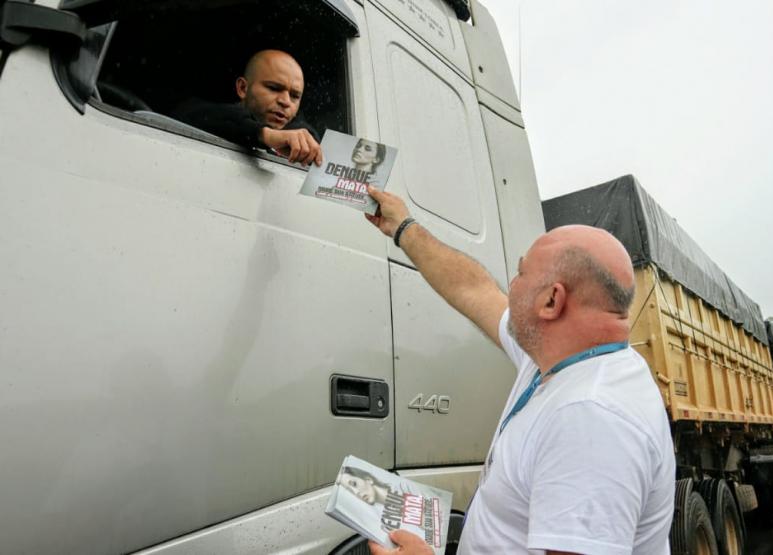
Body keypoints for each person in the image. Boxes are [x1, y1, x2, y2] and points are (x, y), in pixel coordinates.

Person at [364, 188, 676, 555]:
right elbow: (473, 289)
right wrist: (403, 227)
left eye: (521, 273)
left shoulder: (590, 418)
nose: (509, 286)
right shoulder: (562, 353)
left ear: (551, 301)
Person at [171, 49, 323, 167]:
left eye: (295, 96)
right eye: (274, 88)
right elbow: (191, 114)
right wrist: (264, 134)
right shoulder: (210, 118)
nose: (285, 101)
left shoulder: (302, 139)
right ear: (243, 88)